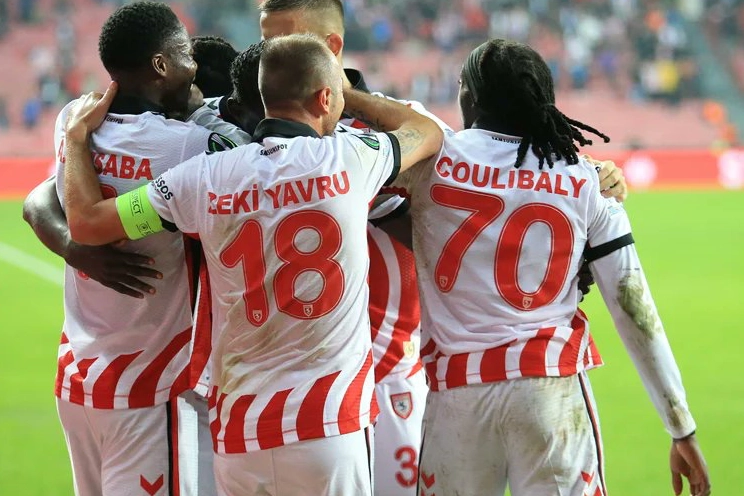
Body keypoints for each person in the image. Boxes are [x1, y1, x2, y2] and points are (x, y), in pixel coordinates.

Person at [60, 33, 444, 496]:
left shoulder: (202, 175)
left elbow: (88, 223)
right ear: (325, 98)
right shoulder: (353, 159)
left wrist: (75, 139)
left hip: (240, 433)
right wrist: (354, 94)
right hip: (327, 423)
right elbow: (427, 131)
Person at [379, 39, 711, 496]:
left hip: (456, 394)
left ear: (471, 98)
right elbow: (634, 308)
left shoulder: (431, 162)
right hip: (549, 390)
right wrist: (680, 426)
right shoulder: (587, 179)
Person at [34, 3, 238, 494]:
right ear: (161, 65)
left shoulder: (73, 119)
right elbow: (253, 161)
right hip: (150, 381)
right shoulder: (186, 146)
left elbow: (40, 199)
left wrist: (72, 246)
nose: (192, 66)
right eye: (185, 54)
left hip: (79, 373)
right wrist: (202, 111)